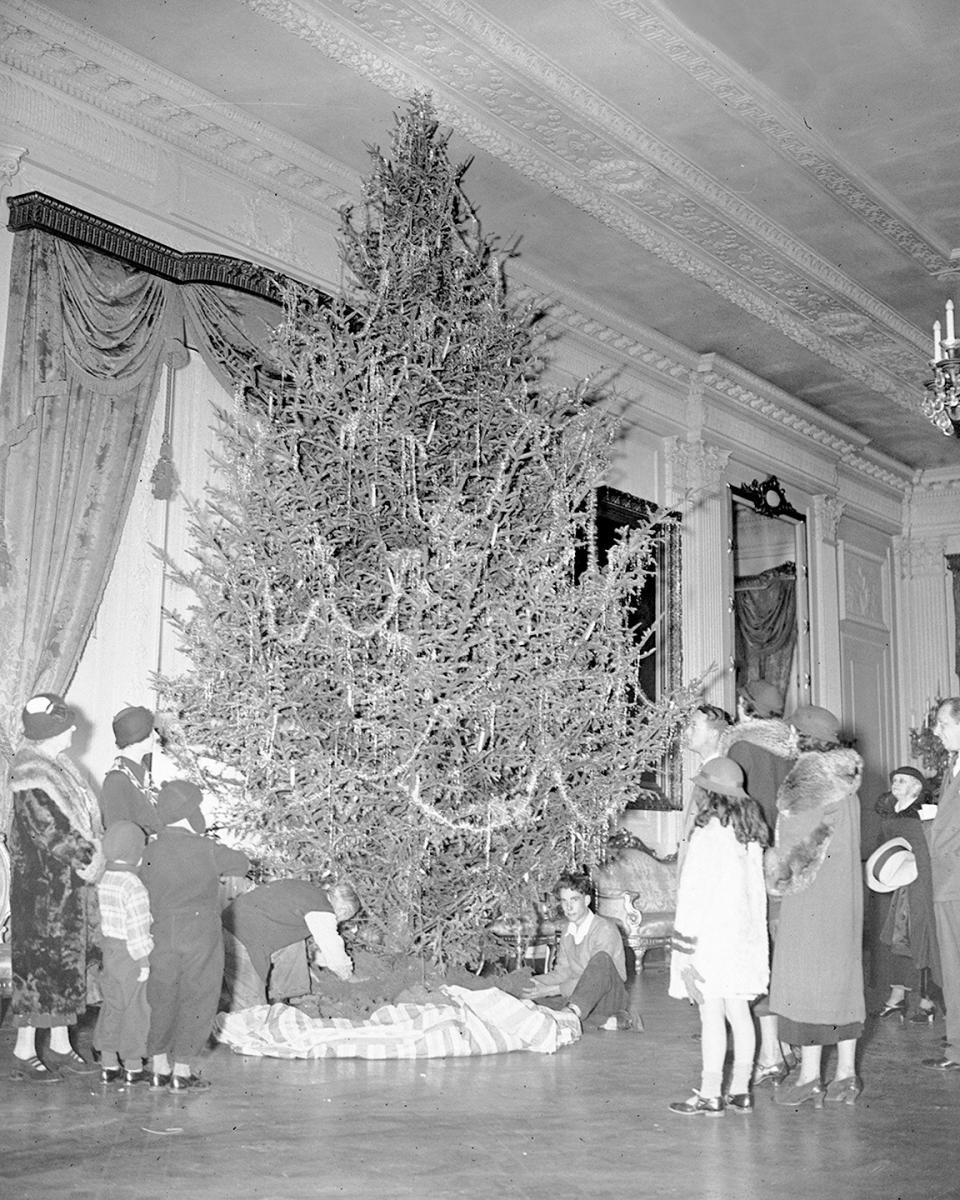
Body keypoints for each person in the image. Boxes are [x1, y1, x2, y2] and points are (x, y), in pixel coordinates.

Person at [765, 705, 866, 1107]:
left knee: (807, 984)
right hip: (845, 898)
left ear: (802, 739)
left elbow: (796, 851)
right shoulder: (848, 781)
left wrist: (774, 877)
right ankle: (847, 1075)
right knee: (842, 981)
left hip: (812, 900)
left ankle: (809, 1077)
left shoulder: (806, 780)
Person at [8, 692, 102, 1081]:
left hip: (63, 890)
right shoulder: (32, 774)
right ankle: (23, 1050)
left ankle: (61, 1045)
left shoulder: (56, 766)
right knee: (39, 972)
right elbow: (52, 832)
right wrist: (91, 858)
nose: (75, 729)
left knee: (63, 969)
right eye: (67, 725)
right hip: (43, 892)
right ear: (51, 733)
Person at [667, 758, 769, 1116]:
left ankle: (711, 1093)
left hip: (709, 940)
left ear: (710, 794)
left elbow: (693, 898)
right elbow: (758, 897)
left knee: (710, 1014)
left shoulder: (707, 834)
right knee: (739, 1012)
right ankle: (741, 1090)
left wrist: (685, 953)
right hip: (742, 939)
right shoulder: (750, 836)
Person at [141, 779, 249, 1091]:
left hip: (161, 930)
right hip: (200, 933)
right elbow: (242, 864)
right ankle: (182, 1071)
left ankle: (159, 1066)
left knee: (161, 995)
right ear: (191, 813)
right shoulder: (207, 849)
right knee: (198, 996)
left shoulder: (152, 849)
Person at [725, 681, 798, 1086]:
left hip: (753, 864)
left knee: (756, 959)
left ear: (744, 706)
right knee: (780, 956)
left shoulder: (742, 749)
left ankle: (770, 1055)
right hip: (786, 867)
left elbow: (737, 814)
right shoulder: (790, 750)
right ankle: (784, 1045)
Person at [521, 870, 637, 1032]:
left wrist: (550, 990)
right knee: (527, 1003)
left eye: (574, 900)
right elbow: (561, 973)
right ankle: (601, 1022)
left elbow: (599, 976)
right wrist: (535, 983)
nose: (568, 907)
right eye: (564, 901)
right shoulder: (568, 931)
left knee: (601, 959)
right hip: (578, 998)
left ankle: (573, 1015)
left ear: (587, 900)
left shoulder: (604, 929)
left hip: (608, 996)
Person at [221, 877, 358, 1011]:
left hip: (233, 921)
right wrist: (347, 974)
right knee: (252, 1014)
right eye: (346, 918)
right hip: (239, 936)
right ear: (344, 910)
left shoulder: (309, 890)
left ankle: (280, 1000)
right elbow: (332, 947)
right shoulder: (322, 911)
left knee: (294, 944)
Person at [871, 767, 941, 1023]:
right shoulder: (889, 811)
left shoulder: (926, 813)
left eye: (903, 780)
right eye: (894, 780)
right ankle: (896, 997)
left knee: (919, 938)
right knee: (892, 941)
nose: (896, 784)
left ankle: (927, 1000)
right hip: (891, 884)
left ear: (917, 787)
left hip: (918, 883)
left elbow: (927, 850)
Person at [93, 820, 153, 1084]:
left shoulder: (105, 879)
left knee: (112, 1007)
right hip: (131, 955)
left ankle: (108, 1064)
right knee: (136, 1010)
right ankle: (133, 1066)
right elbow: (138, 929)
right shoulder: (134, 885)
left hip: (109, 951)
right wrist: (145, 961)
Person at [923, 698, 960, 1071]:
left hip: (957, 880)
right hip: (946, 879)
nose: (936, 731)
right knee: (952, 967)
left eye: (942, 724)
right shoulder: (953, 764)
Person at [678, 703, 733, 867]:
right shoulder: (704, 770)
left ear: (713, 733)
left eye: (693, 726)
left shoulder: (722, 775)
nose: (687, 732)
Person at [100, 705, 159, 836]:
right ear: (137, 738)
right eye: (150, 732)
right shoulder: (116, 780)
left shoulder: (140, 771)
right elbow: (119, 836)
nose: (156, 735)